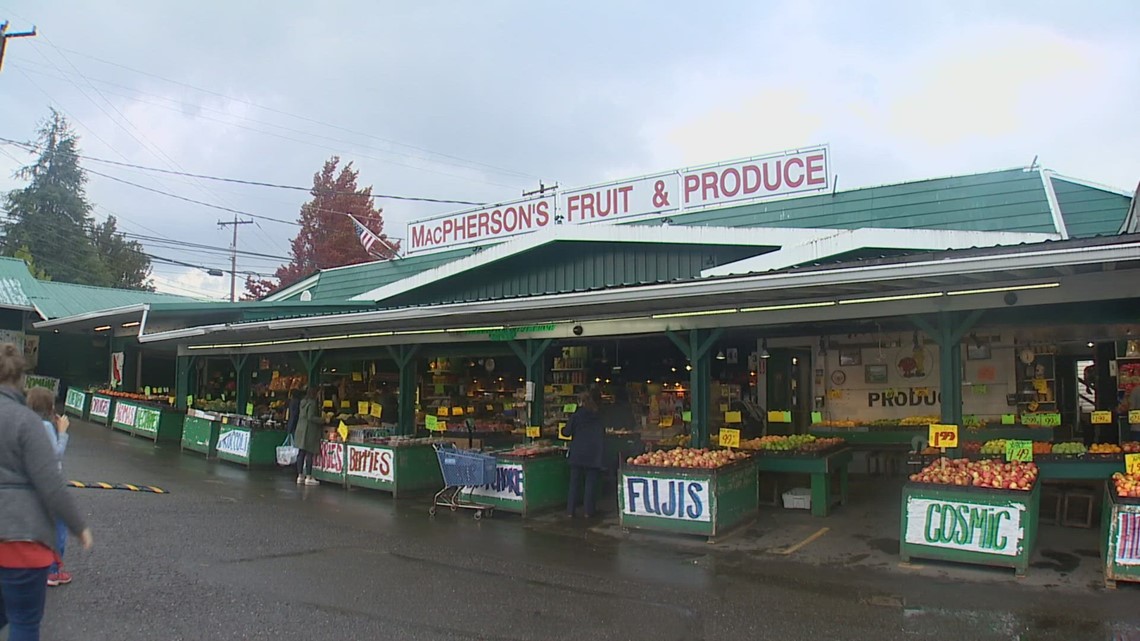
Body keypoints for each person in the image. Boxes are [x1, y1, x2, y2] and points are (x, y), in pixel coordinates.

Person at [0, 343, 93, 641]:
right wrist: (79, 527)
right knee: (24, 623)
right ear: (21, 380)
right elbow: (50, 481)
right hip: (23, 541)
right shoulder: (27, 422)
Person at [25, 388, 71, 587]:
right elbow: (55, 455)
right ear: (50, 406)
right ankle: (52, 570)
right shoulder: (44, 426)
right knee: (58, 528)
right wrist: (62, 433)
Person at [565, 389, 604, 518]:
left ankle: (570, 511)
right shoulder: (597, 415)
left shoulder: (576, 415)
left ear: (580, 402)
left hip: (578, 453)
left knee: (574, 483)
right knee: (590, 483)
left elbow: (566, 432)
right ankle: (588, 511)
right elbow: (601, 433)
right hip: (593, 453)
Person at [293, 388, 321, 486]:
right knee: (309, 453)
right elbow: (311, 417)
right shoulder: (312, 403)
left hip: (300, 429)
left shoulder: (303, 402)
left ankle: (300, 476)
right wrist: (323, 420)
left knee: (301, 453)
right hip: (309, 430)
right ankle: (308, 476)